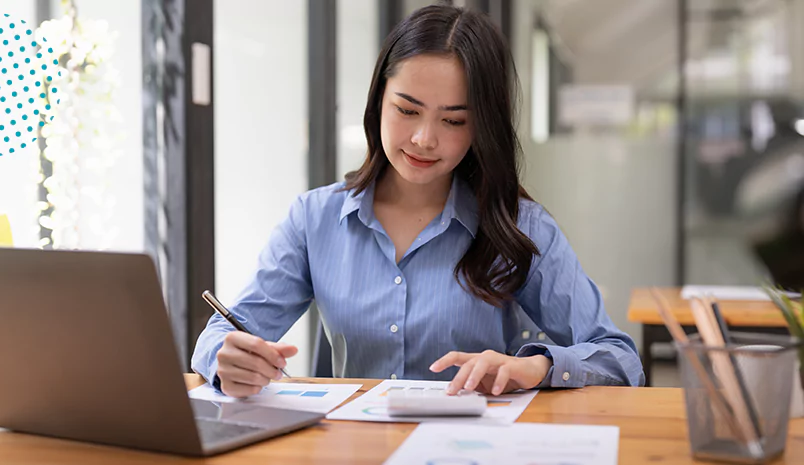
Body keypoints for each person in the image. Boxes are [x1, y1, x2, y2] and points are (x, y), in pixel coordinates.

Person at [192, 4, 644, 398]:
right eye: (407, 110)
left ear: (480, 127)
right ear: (378, 102)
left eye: (452, 120)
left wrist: (536, 367)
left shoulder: (519, 225)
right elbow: (220, 336)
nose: (425, 139)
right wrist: (225, 359)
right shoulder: (315, 218)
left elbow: (620, 360)